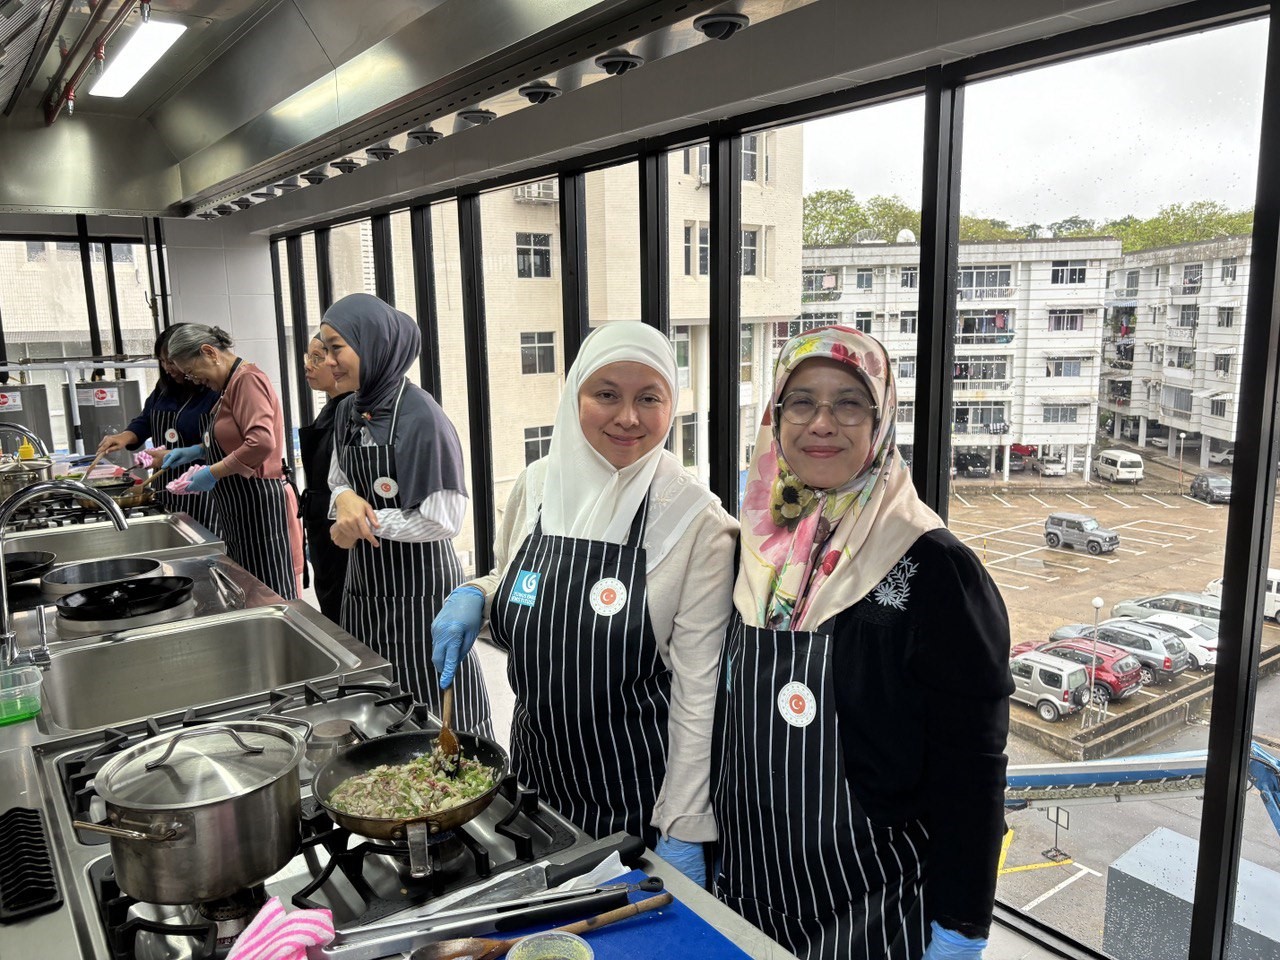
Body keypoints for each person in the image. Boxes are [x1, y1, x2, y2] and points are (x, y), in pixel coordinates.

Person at [714, 325, 1013, 960]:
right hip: (745, 885)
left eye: (849, 402)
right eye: (801, 401)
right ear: (775, 416)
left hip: (872, 905)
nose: (822, 422)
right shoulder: (753, 546)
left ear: (882, 419)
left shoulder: (933, 566)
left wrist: (961, 927)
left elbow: (973, 767)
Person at [431, 321, 737, 885]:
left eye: (649, 398)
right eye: (606, 395)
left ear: (673, 405)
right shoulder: (538, 486)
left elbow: (700, 696)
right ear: (575, 396)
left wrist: (684, 827)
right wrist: (478, 592)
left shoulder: (698, 524)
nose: (628, 417)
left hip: (635, 804)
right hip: (530, 785)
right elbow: (520, 585)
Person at [320, 293, 492, 736]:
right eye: (324, 347)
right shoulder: (347, 410)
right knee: (376, 703)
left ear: (373, 343)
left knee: (434, 708)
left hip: (421, 595)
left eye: (337, 347)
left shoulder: (422, 417)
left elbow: (445, 518)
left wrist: (361, 523)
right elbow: (338, 478)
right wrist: (345, 501)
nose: (328, 360)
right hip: (365, 587)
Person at [162, 324, 304, 600]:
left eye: (191, 371)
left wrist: (212, 472)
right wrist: (195, 452)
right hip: (240, 506)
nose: (193, 380)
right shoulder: (229, 387)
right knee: (248, 586)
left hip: (258, 503)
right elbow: (235, 440)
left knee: (267, 590)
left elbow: (261, 442)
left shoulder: (247, 381)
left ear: (209, 352)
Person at [97, 325, 221, 536]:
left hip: (200, 485)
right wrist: (124, 437)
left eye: (171, 361)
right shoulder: (164, 388)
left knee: (202, 540)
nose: (167, 368)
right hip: (163, 480)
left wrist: (192, 452)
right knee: (172, 539)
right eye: (162, 361)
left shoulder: (213, 390)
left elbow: (221, 442)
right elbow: (146, 419)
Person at [298, 333, 352, 623]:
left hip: (338, 530)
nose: (309, 365)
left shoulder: (353, 411)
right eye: (310, 357)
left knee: (342, 610)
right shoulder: (332, 406)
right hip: (321, 526)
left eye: (318, 358)